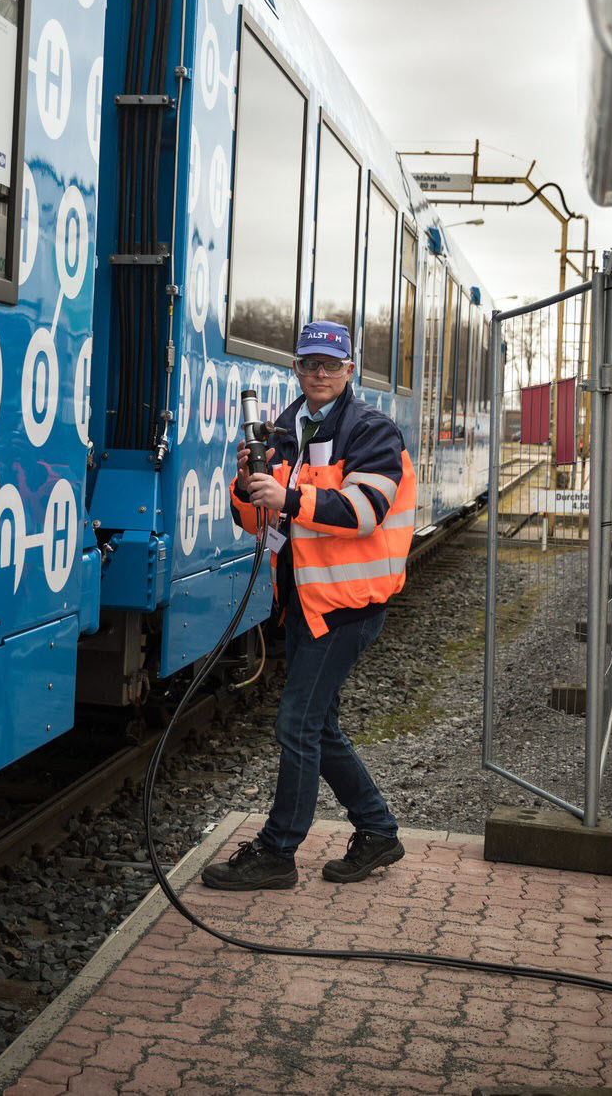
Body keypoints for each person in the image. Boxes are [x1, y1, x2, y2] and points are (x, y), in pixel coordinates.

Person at [203, 320, 417, 890]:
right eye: (308, 364)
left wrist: (289, 495)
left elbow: (363, 511)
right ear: (295, 368)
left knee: (297, 723)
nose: (318, 374)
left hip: (347, 606)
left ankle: (278, 852)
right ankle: (377, 830)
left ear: (350, 370)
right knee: (318, 727)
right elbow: (257, 519)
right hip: (302, 601)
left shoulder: (372, 432)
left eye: (330, 365)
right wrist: (248, 486)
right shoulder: (282, 431)